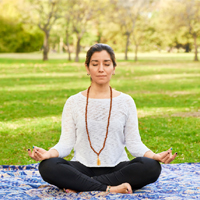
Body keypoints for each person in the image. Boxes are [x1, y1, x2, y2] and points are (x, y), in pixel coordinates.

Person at [28, 43, 177, 194]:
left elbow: (134, 143)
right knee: (47, 166)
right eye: (95, 64)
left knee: (151, 166)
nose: (101, 69)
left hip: (118, 168)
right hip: (81, 167)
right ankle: (111, 189)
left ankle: (80, 186)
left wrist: (154, 156)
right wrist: (48, 154)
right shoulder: (73, 102)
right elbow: (66, 143)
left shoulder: (126, 101)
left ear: (114, 68)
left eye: (106, 64)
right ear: (87, 68)